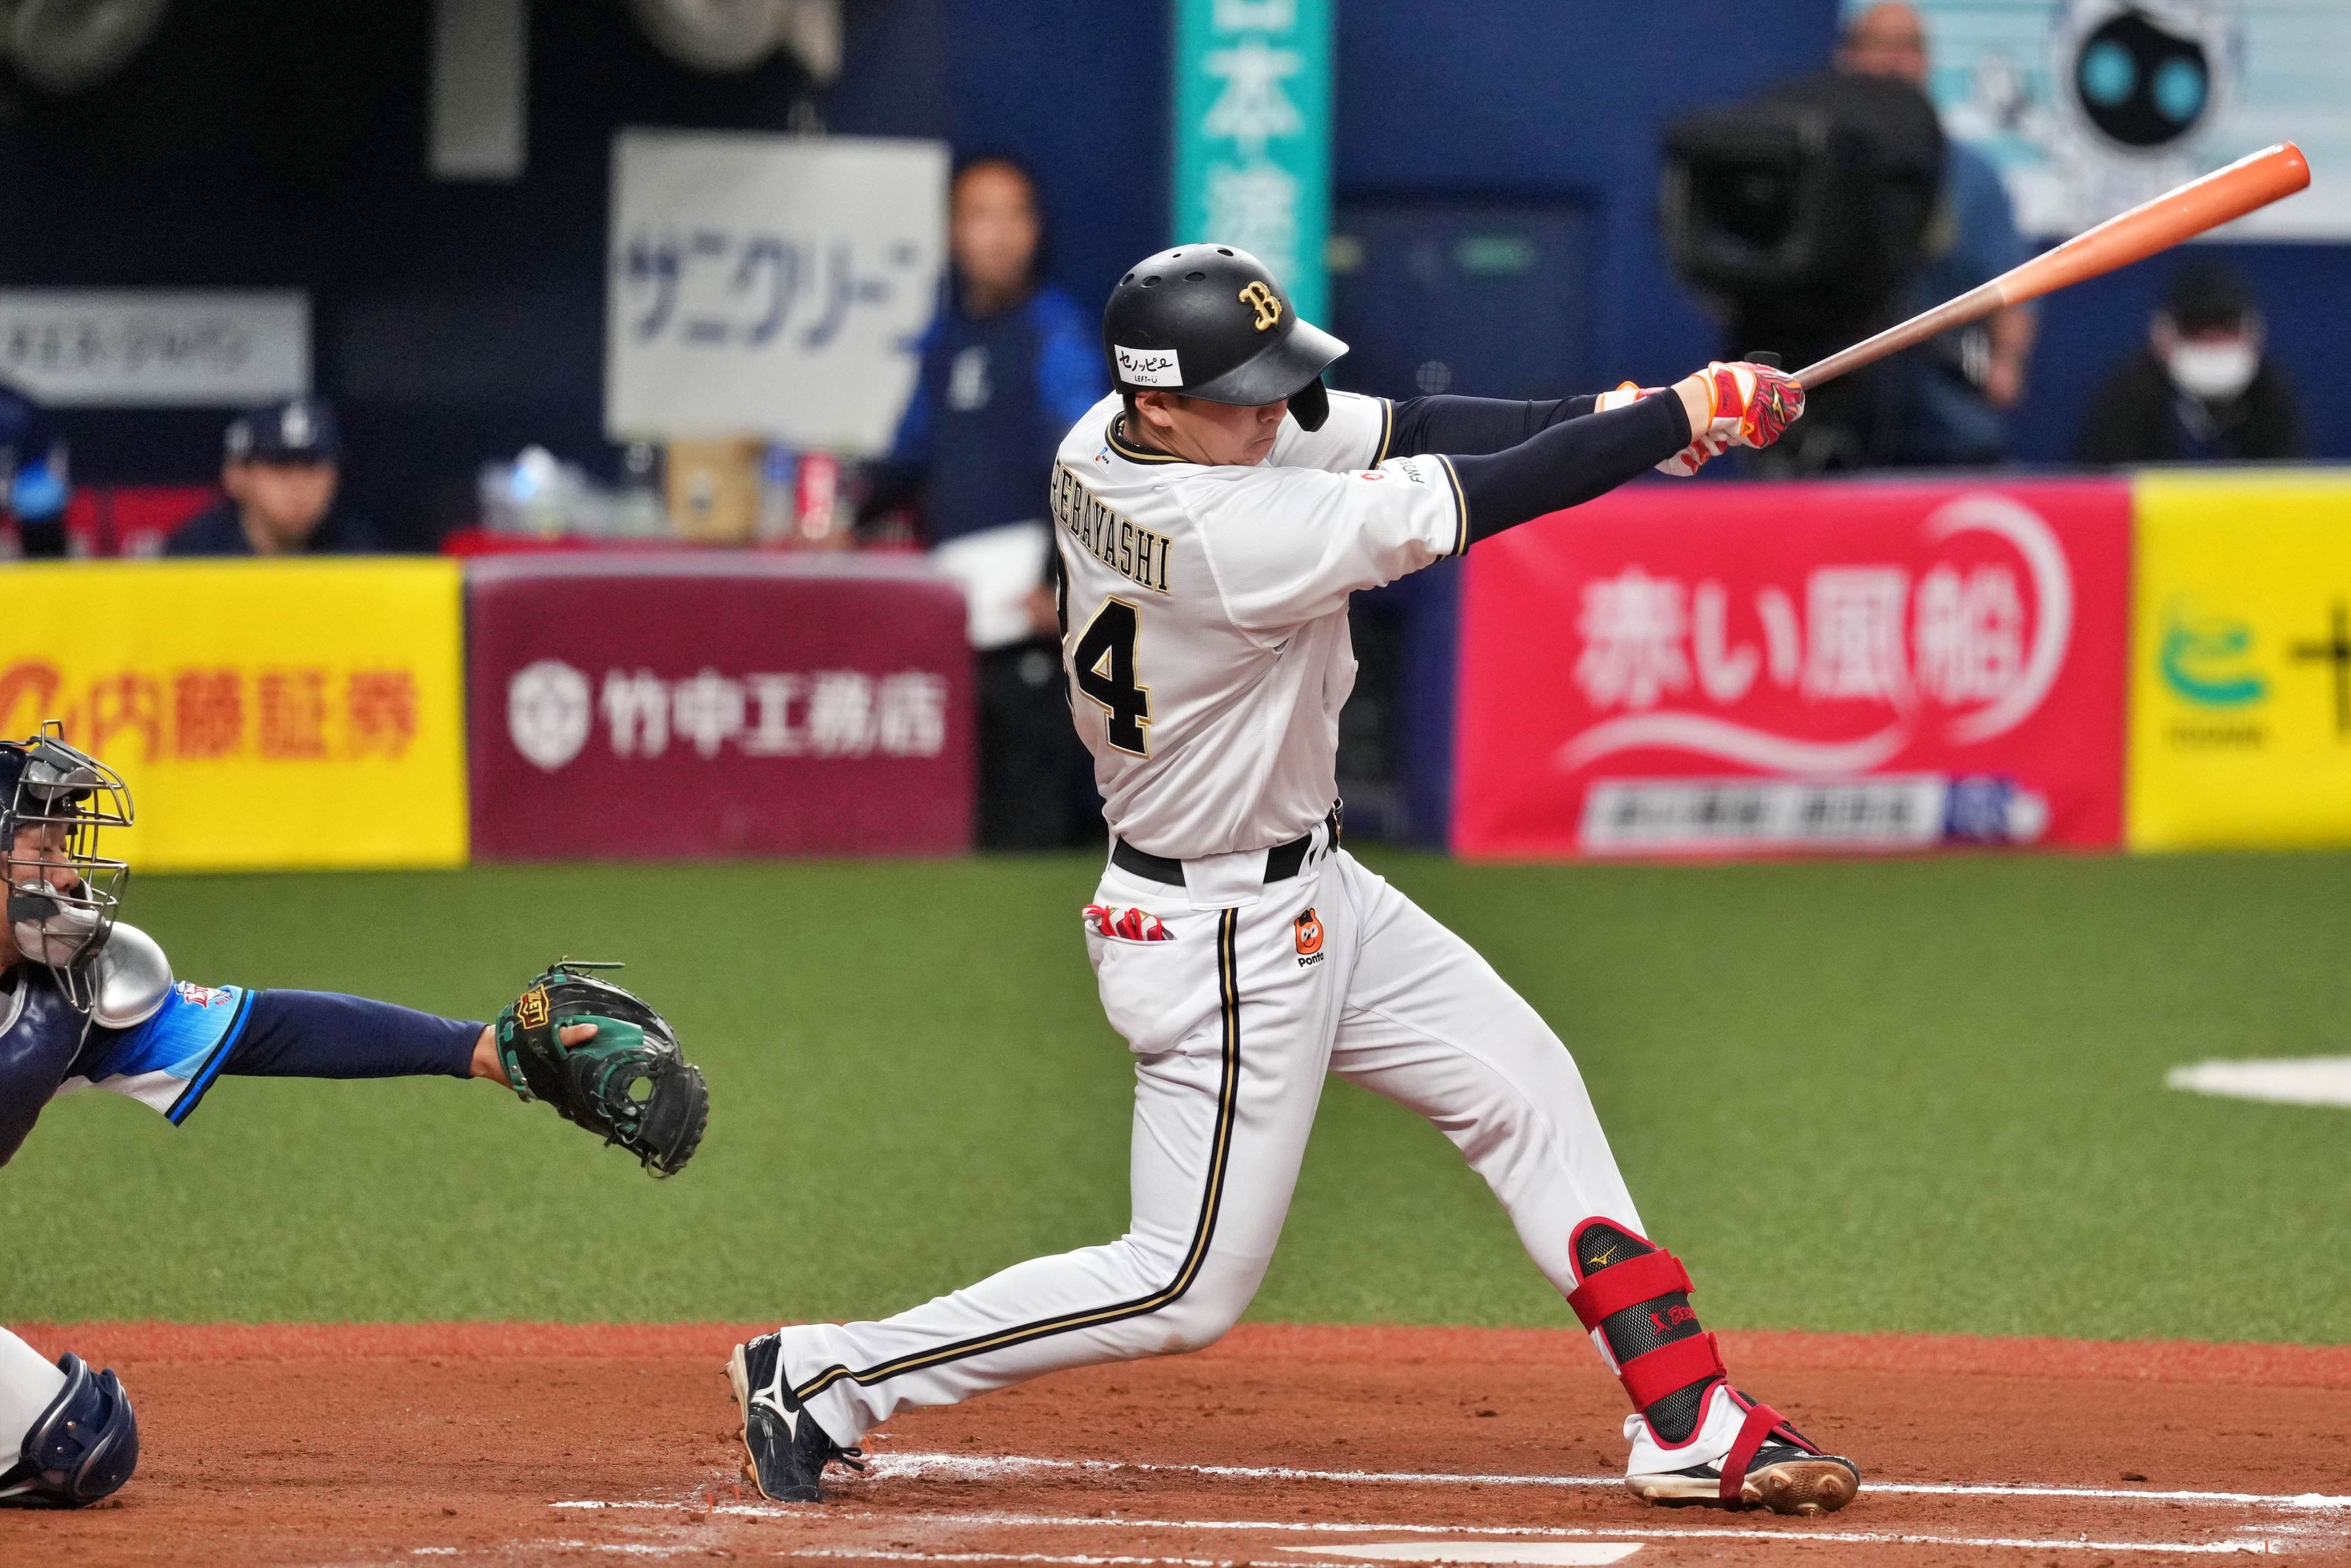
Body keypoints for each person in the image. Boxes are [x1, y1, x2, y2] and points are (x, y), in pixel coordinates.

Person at [726, 245, 1862, 1517]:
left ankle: (1684, 1412)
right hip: (1218, 933)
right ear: (1162, 403)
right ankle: (823, 1377)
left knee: (1523, 1086)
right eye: (1244, 395)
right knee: (1179, 1286)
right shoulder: (1226, 535)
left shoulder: (1108, 439)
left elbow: (1413, 428)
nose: (1275, 413)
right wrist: (1678, 416)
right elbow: (1474, 496)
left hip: (1312, 886)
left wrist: (1619, 418)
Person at [0, 723, 705, 1506]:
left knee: (79, 1442)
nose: (69, 877)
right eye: (42, 849)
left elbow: (274, 1029)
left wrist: (479, 1050)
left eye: (66, 847)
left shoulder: (72, 999)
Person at [861, 156, 1106, 849]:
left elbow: (1090, 466)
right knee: (950, 824)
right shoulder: (944, 339)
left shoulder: (1055, 334)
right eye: (978, 215)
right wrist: (843, 524)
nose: (996, 235)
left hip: (1031, 619)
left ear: (1035, 230)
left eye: (1012, 215)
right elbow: (908, 455)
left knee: (1030, 823)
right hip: (954, 612)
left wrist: (1063, 585)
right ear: (952, 231)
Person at [1840, 1, 2037, 465]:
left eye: (1910, 47)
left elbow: (2013, 286)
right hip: (1838, 430)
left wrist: (2004, 364)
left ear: (1928, 62)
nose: (1895, 62)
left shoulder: (1972, 177)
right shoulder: (1817, 172)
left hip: (1952, 428)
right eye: (1880, 45)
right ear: (1847, 59)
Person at [2076, 261, 2308, 464]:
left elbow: (2290, 483)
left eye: (2226, 327)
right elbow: (2102, 482)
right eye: (2195, 328)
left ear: (2253, 332)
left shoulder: (2272, 395)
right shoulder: (2128, 397)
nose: (2212, 342)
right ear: (2161, 334)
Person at [164, 396, 385, 556]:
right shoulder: (196, 554)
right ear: (236, 477)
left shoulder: (358, 555)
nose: (298, 486)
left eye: (312, 468)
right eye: (279, 468)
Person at [0, 381, 70, 559]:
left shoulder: (17, 405)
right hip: (12, 478)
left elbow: (48, 452)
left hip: (24, 479)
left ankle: (46, 567)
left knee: (40, 496)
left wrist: (10, 486)